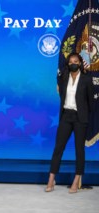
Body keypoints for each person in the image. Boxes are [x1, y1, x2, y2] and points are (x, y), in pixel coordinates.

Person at [46, 52, 94, 193]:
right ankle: (51, 180)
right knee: (58, 148)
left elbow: (91, 103)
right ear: (68, 64)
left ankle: (76, 180)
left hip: (80, 118)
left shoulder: (86, 79)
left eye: (76, 61)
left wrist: (85, 117)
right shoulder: (64, 78)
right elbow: (61, 92)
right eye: (71, 61)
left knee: (79, 150)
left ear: (80, 63)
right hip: (66, 116)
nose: (73, 63)